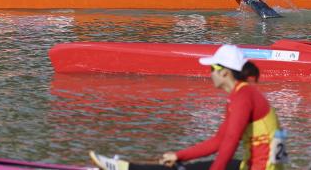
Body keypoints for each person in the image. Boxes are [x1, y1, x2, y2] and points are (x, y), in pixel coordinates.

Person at [89, 44, 288, 170]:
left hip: (263, 167)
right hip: (257, 164)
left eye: (212, 68)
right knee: (185, 166)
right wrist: (179, 155)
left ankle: (125, 168)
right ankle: (127, 167)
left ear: (225, 73)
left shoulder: (243, 97)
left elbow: (231, 141)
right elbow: (218, 141)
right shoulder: (241, 94)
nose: (209, 73)